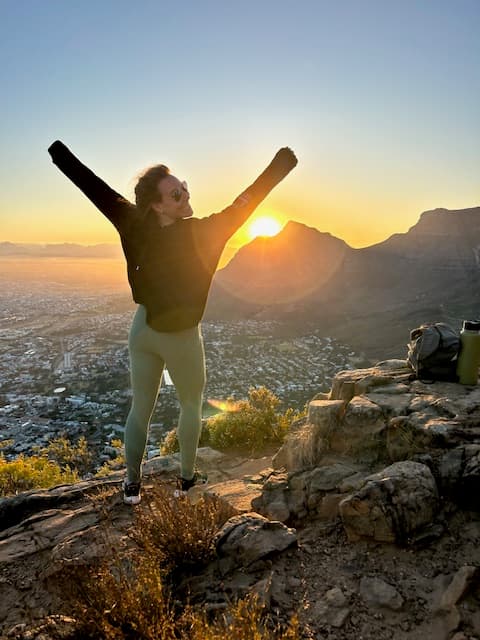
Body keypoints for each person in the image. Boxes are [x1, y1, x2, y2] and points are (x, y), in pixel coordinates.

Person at [48, 140, 298, 504]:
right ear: (157, 204)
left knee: (141, 408)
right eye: (177, 194)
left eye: (185, 188)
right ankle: (186, 482)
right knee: (191, 405)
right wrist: (281, 165)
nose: (186, 196)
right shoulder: (206, 232)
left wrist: (59, 154)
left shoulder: (134, 223)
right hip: (181, 336)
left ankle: (131, 487)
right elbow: (247, 201)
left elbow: (94, 188)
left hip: (143, 329)